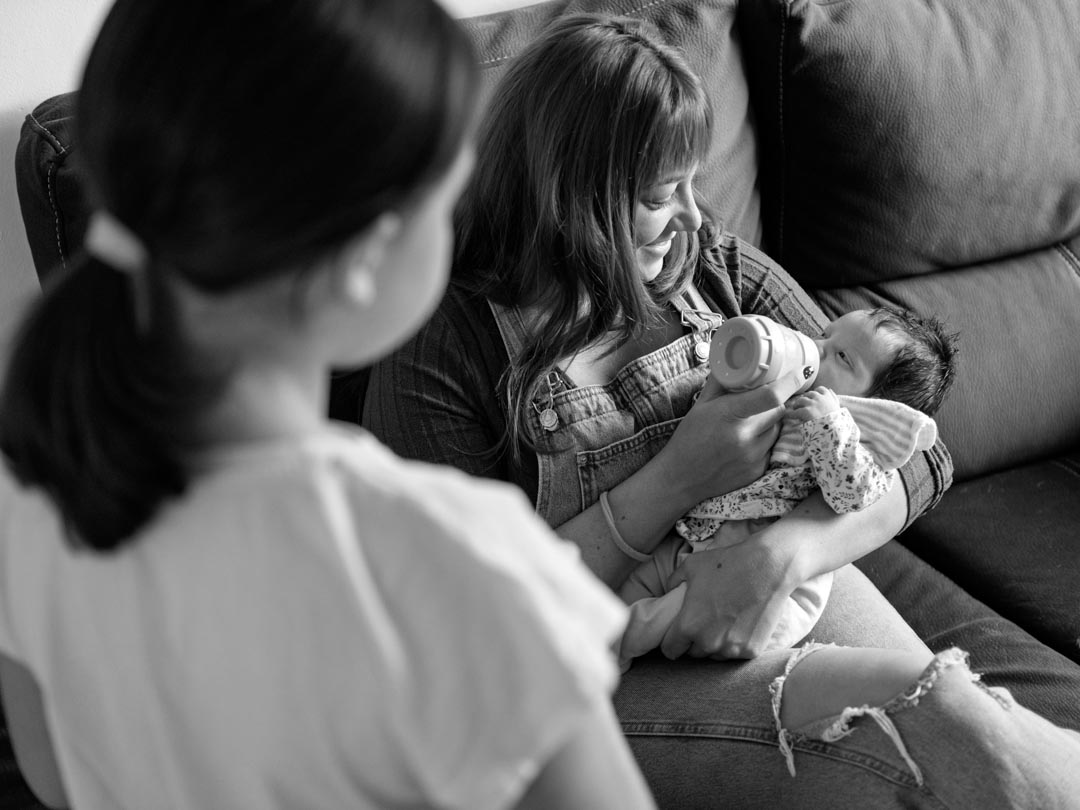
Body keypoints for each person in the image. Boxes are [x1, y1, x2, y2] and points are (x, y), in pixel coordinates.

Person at [361, 12, 1080, 807]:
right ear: (570, 197)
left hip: (759, 568)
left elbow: (920, 451)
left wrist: (780, 558)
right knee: (937, 727)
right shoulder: (444, 347)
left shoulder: (711, 270)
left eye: (693, 184)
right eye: (660, 195)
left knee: (974, 720)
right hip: (592, 668)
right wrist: (675, 478)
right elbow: (466, 635)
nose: (697, 221)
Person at [0, 2, 658, 808]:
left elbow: (57, 781)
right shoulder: (448, 561)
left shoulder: (27, 493)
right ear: (367, 255)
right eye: (448, 194)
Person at [618, 306, 957, 668]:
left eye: (842, 356)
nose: (818, 346)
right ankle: (602, 640)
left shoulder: (859, 443)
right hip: (697, 531)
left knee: (653, 620)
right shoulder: (795, 389)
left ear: (876, 405)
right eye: (826, 334)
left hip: (768, 579)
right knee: (627, 592)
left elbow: (852, 494)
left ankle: (615, 649)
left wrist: (829, 424)